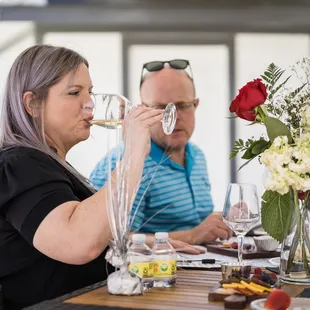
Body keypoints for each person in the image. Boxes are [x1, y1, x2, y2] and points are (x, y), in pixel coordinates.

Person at [0, 45, 172, 309]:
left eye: (89, 92)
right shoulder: (19, 163)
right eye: (74, 93)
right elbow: (78, 243)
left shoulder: (48, 164)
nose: (90, 103)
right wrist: (135, 152)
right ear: (32, 104)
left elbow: (93, 232)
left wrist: (159, 241)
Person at [90, 59, 233, 245]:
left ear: (195, 105)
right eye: (161, 108)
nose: (174, 117)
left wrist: (224, 222)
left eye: (182, 105)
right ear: (142, 110)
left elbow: (201, 226)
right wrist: (192, 236)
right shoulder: (126, 162)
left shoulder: (197, 156)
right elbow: (109, 240)